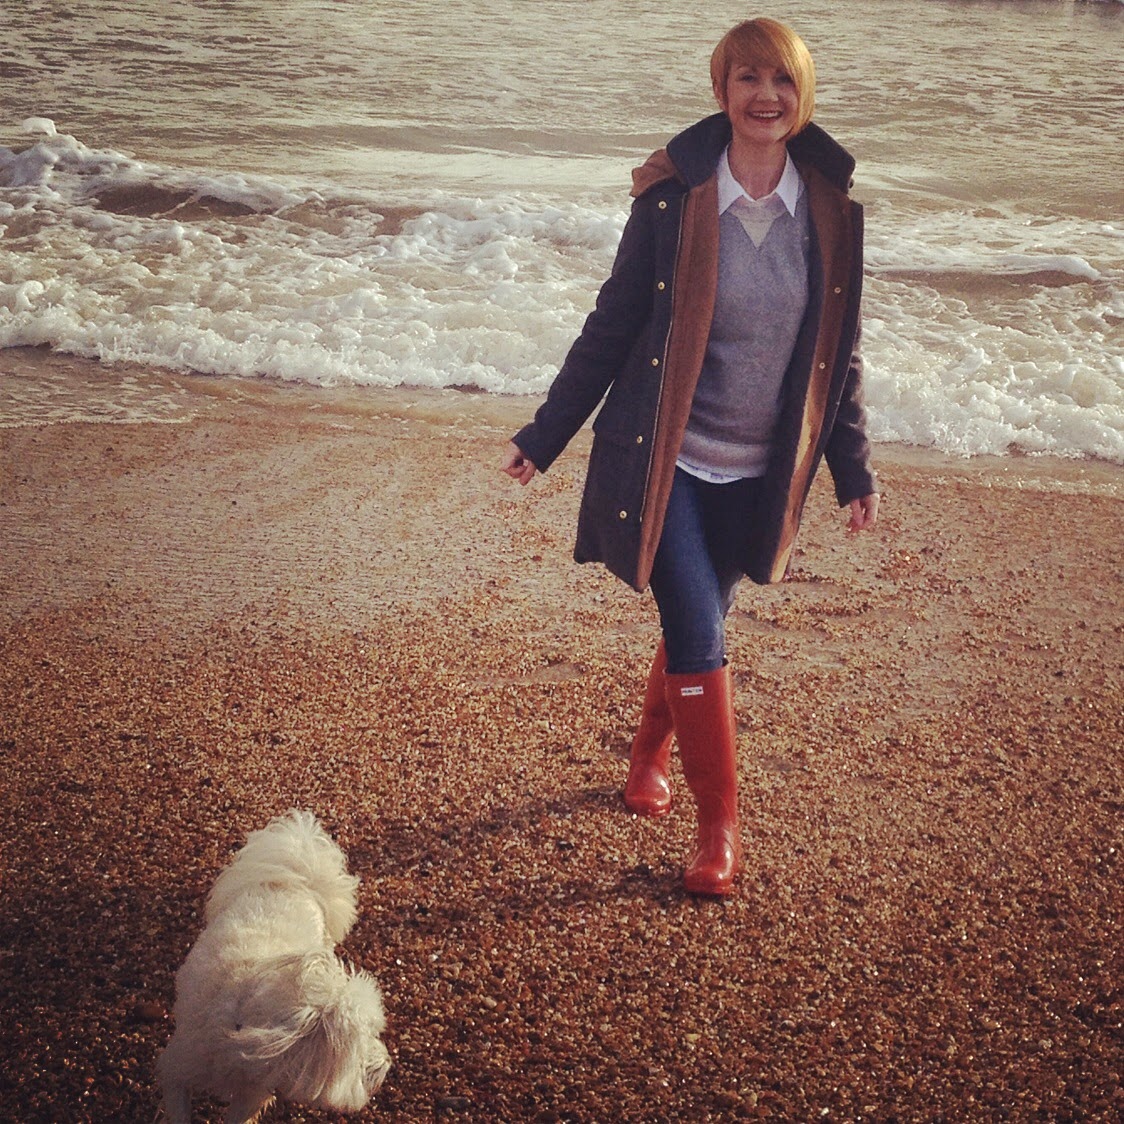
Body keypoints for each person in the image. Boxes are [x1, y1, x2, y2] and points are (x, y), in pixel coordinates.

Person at [501, 17, 879, 897]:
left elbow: (840, 354)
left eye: (782, 81)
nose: (766, 96)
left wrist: (853, 468)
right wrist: (545, 434)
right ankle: (719, 830)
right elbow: (613, 323)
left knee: (694, 625)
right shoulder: (674, 201)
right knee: (702, 633)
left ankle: (646, 754)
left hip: (761, 474)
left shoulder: (829, 211)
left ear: (802, 95)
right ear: (721, 90)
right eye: (748, 78)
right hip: (665, 463)